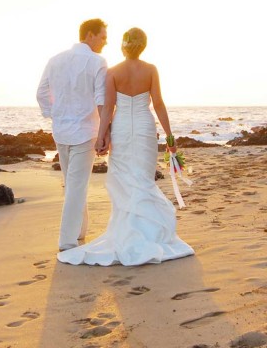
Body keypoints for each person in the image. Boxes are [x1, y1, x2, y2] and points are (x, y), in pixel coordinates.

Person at [57, 27, 194, 266]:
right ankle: (149, 232)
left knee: (125, 180)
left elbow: (108, 109)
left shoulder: (112, 72)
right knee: (142, 178)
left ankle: (129, 232)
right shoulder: (151, 70)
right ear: (143, 46)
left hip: (120, 128)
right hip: (143, 127)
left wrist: (102, 137)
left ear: (124, 46)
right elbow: (159, 104)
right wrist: (170, 138)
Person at [37, 19, 109, 251]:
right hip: (85, 131)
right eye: (103, 37)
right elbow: (101, 99)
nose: (105, 42)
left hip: (61, 131)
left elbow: (41, 92)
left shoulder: (55, 60)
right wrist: (105, 133)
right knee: (76, 187)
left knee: (73, 185)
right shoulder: (97, 61)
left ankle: (79, 231)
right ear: (89, 35)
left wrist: (54, 114)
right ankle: (66, 242)